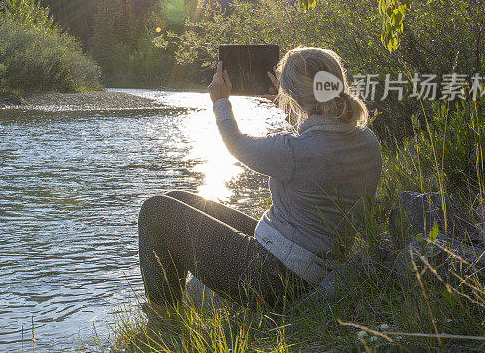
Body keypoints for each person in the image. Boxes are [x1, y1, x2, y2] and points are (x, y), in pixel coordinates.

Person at [137, 46, 382, 316]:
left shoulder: (295, 151)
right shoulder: (366, 140)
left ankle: (162, 320)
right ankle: (177, 305)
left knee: (156, 210)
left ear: (297, 96)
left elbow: (237, 144)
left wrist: (220, 101)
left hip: (273, 277)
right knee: (178, 199)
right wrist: (290, 104)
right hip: (308, 262)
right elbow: (319, 145)